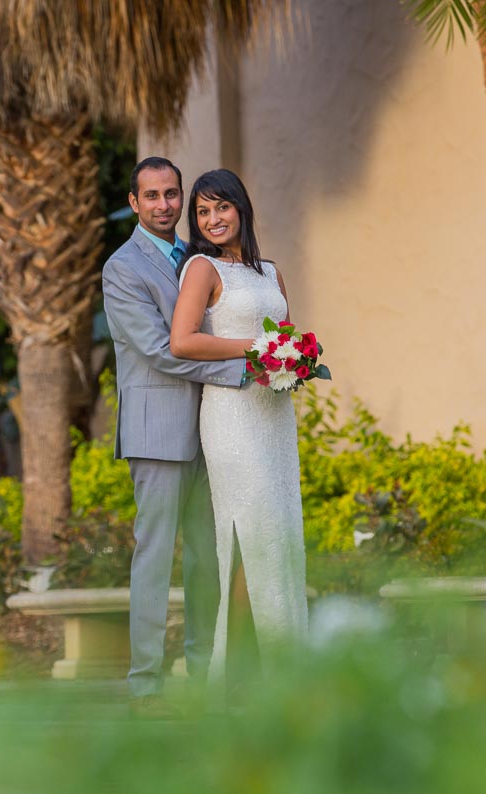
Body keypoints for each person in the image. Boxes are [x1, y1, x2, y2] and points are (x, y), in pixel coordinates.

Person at [101, 157, 247, 716]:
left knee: (207, 559)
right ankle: (145, 684)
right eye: (152, 195)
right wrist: (244, 369)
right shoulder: (121, 268)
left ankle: (203, 671)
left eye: (172, 194)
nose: (164, 204)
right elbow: (163, 351)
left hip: (213, 428)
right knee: (155, 559)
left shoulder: (200, 259)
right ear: (134, 203)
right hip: (156, 432)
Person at [170, 168, 309, 694]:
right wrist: (255, 348)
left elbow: (286, 334)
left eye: (220, 208)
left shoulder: (270, 272)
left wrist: (293, 359)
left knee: (279, 536)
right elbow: (182, 341)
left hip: (274, 416)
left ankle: (284, 664)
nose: (213, 219)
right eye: (202, 212)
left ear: (240, 208)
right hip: (231, 416)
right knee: (248, 536)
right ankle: (243, 675)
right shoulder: (200, 268)